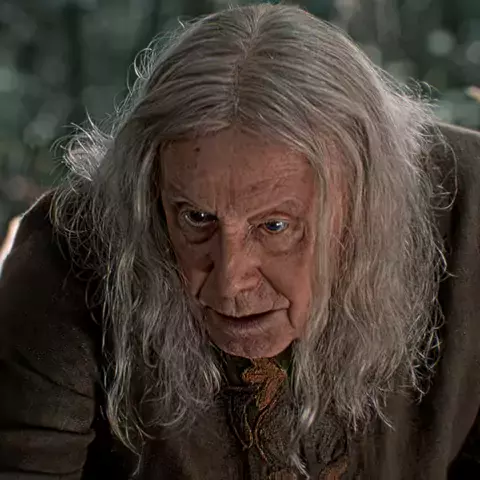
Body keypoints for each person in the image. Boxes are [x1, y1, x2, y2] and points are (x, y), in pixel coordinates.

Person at [1, 4, 479, 479]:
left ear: (365, 204)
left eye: (274, 227)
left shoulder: (469, 211)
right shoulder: (67, 256)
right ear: (150, 192)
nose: (230, 282)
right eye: (197, 218)